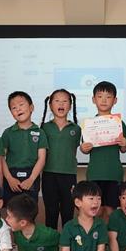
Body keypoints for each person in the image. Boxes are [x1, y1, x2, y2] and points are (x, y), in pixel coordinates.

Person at [80, 81, 126, 222]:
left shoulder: (119, 123)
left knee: (111, 211)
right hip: (95, 173)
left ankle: (110, 236)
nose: (104, 100)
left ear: (115, 100)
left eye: (108, 97)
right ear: (93, 99)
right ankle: (97, 235)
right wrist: (83, 148)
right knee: (96, 210)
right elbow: (85, 149)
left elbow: (124, 149)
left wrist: (124, 144)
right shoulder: (89, 125)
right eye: (100, 96)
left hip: (113, 173)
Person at [40, 89, 81, 229]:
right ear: (50, 105)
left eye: (65, 101)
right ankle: (51, 241)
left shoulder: (76, 129)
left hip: (69, 175)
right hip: (49, 175)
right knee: (51, 212)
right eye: (57, 101)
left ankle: (67, 241)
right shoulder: (44, 128)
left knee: (68, 212)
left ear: (70, 105)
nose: (61, 104)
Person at [2, 91, 48, 203]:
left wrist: (31, 179)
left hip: (32, 175)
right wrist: (9, 178)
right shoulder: (8, 133)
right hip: (11, 176)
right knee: (12, 209)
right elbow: (1, 158)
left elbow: (42, 158)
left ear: (31, 107)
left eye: (21, 105)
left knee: (30, 209)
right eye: (14, 108)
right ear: (11, 113)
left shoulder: (40, 132)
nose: (18, 109)